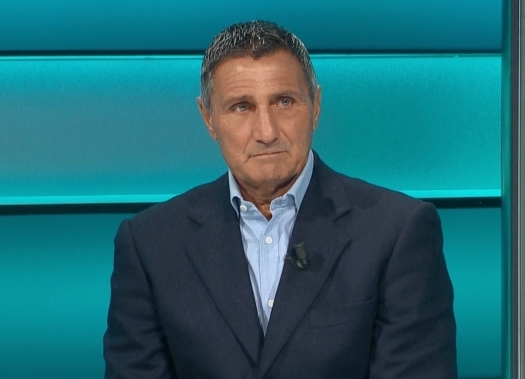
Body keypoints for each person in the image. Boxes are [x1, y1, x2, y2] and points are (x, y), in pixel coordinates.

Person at [103, 20, 457, 379]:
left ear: (315, 106)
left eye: (284, 102)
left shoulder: (396, 232)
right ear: (208, 119)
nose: (267, 132)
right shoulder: (151, 244)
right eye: (242, 107)